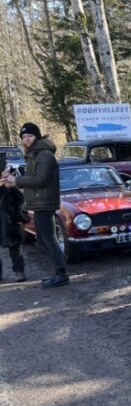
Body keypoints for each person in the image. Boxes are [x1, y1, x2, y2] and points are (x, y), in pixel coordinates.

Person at [0, 122, 68, 287]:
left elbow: (41, 180)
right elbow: (32, 179)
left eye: (29, 135)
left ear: (37, 136)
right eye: (23, 137)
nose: (26, 139)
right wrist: (13, 182)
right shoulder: (33, 154)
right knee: (44, 240)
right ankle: (58, 273)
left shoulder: (44, 154)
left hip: (45, 202)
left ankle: (62, 274)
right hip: (39, 203)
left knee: (49, 240)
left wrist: (15, 180)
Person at [0, 174, 27, 282]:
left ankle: (19, 272)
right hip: (8, 220)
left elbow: (20, 199)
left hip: (9, 221)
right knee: (15, 247)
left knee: (15, 246)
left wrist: (18, 214)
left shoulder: (8, 183)